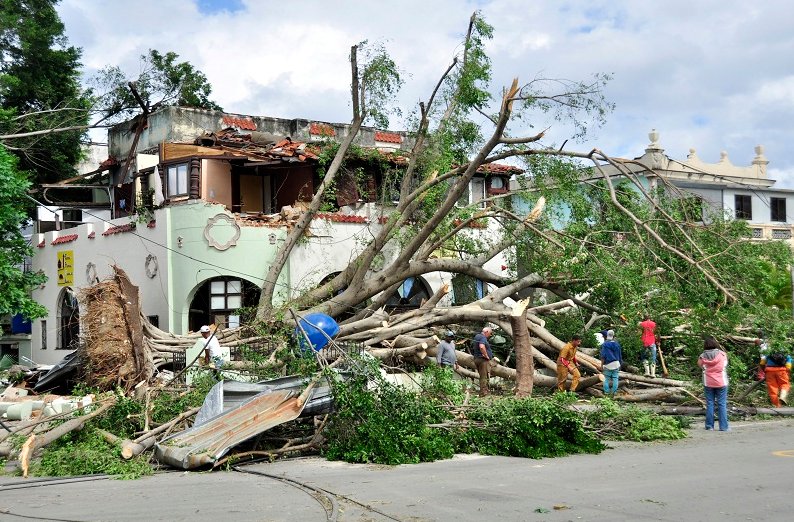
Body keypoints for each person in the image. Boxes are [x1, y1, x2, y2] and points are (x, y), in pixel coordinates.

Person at [697, 337, 729, 431]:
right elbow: (725, 365)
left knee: (710, 403)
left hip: (708, 382)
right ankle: (723, 427)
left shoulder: (702, 356)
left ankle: (709, 426)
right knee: (722, 404)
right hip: (721, 382)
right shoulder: (722, 354)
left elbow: (700, 365)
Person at [470, 326, 494, 397]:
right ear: (486, 332)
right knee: (484, 376)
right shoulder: (483, 337)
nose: (489, 335)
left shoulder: (477, 336)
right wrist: (486, 355)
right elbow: (481, 346)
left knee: (482, 376)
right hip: (483, 360)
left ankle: (485, 391)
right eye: (489, 334)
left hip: (477, 359)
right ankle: (483, 393)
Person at [599, 330, 623, 396]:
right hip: (616, 363)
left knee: (606, 379)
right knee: (615, 378)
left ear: (607, 335)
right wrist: (620, 364)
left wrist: (601, 365)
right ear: (613, 335)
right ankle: (614, 392)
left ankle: (606, 392)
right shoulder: (617, 344)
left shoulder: (605, 344)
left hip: (608, 364)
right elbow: (620, 355)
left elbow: (603, 356)